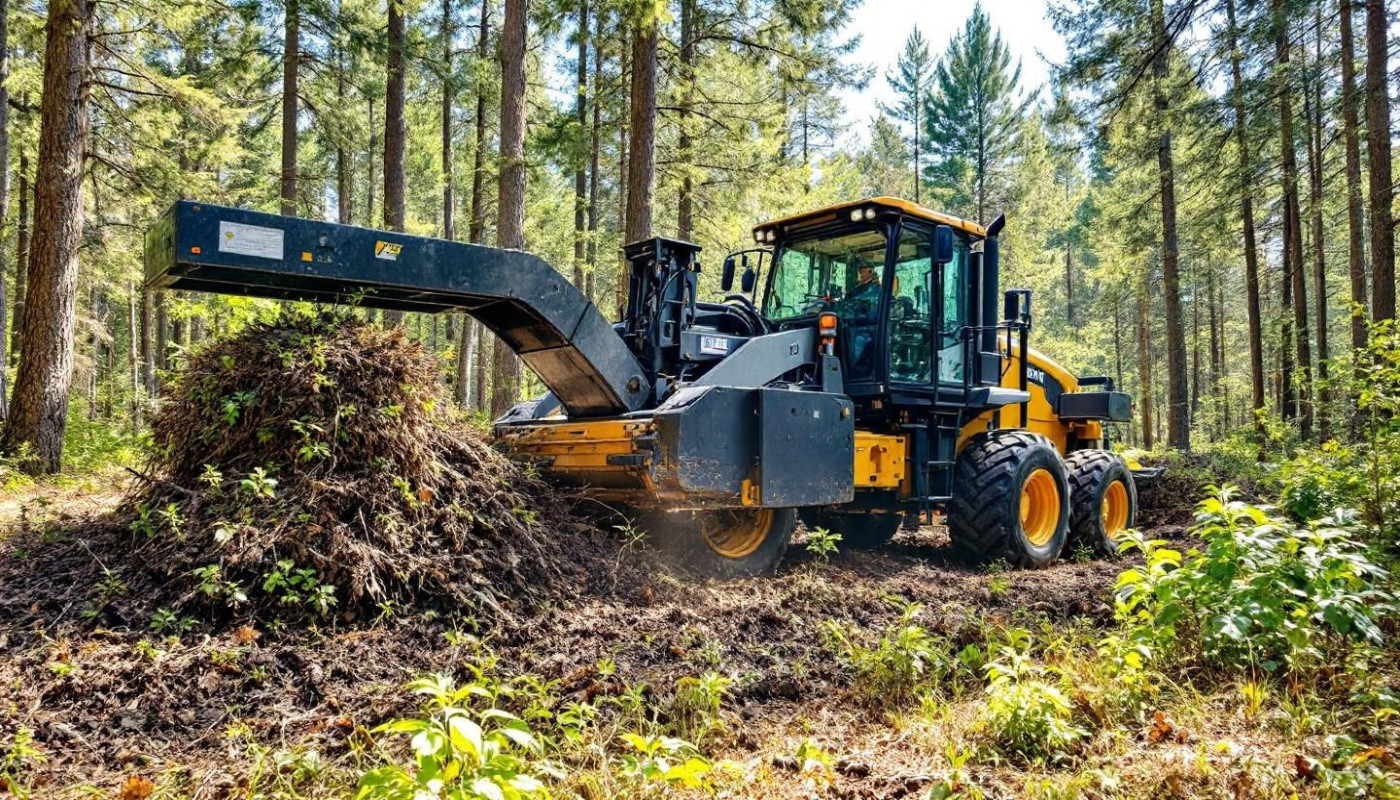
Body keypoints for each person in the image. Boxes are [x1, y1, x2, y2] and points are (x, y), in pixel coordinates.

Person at [840, 261, 882, 376]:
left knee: (858, 341)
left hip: (868, 328)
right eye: (860, 271)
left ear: (870, 272)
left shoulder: (877, 290)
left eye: (863, 271)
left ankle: (856, 373)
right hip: (852, 324)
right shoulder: (855, 290)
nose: (861, 274)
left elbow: (873, 313)